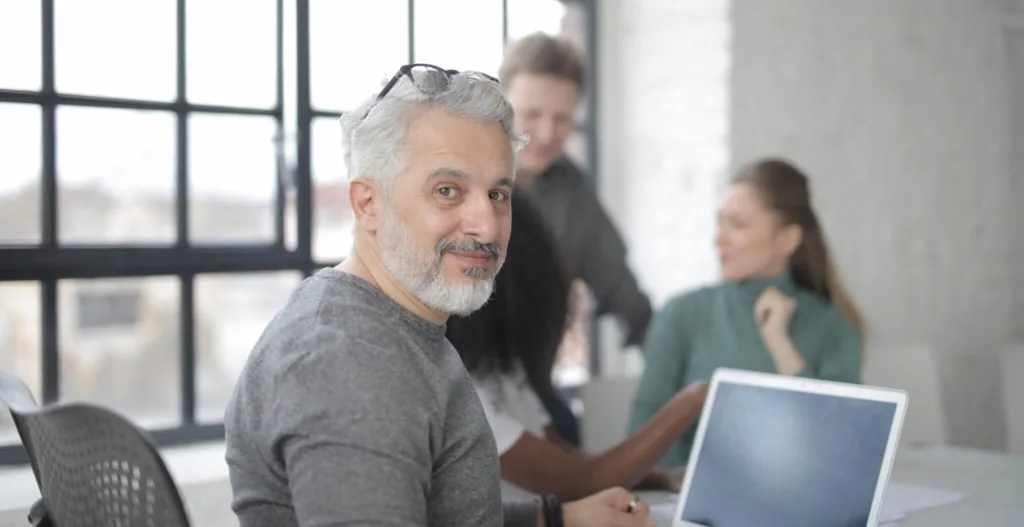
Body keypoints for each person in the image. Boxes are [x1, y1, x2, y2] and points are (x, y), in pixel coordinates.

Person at [223, 63, 654, 527]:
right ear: (368, 203)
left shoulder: (401, 324)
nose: (486, 226)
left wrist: (556, 518)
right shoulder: (351, 364)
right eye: (448, 190)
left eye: (497, 194)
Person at [446, 190, 708, 502]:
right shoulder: (459, 393)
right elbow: (579, 481)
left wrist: (660, 477)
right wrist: (692, 400)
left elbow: (567, 458)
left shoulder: (502, 369)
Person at [627, 158, 866, 468]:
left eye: (738, 225)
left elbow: (837, 443)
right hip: (687, 493)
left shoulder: (833, 323)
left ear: (787, 240)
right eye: (720, 222)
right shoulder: (682, 313)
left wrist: (779, 343)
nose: (718, 239)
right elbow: (642, 433)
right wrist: (678, 484)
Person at [499, 32, 653, 447]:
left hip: (533, 392)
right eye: (531, 114)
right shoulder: (457, 178)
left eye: (563, 118)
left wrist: (676, 378)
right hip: (455, 385)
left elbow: (628, 301)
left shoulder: (574, 193)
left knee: (573, 444)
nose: (547, 133)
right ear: (501, 103)